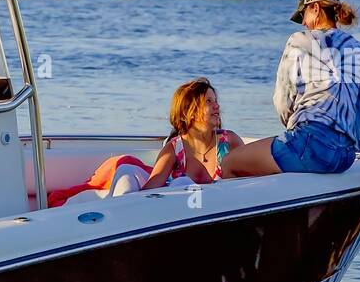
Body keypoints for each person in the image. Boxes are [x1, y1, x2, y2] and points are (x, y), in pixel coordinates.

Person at [221, 0, 360, 178]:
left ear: (314, 8)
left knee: (229, 162)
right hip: (345, 156)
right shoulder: (358, 49)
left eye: (303, 14)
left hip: (310, 146)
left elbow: (282, 100)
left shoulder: (299, 41)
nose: (303, 22)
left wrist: (294, 132)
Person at [47, 78, 242, 206]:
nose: (217, 105)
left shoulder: (229, 141)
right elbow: (152, 186)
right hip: (175, 217)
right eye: (208, 101)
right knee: (125, 172)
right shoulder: (175, 148)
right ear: (190, 111)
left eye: (215, 100)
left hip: (215, 214)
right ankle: (116, 222)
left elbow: (254, 179)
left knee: (184, 183)